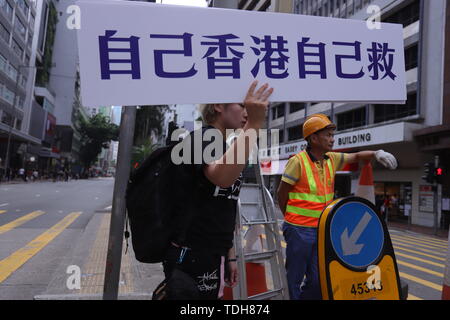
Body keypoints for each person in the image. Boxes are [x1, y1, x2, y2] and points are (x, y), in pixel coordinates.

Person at [161, 80, 273, 300]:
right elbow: (221, 178)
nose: (247, 112)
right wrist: (254, 124)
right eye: (242, 105)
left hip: (212, 255)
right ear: (218, 106)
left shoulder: (223, 146)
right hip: (191, 256)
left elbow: (223, 206)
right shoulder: (203, 138)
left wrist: (229, 255)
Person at [277, 113, 398, 300]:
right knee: (293, 277)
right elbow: (281, 193)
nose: (332, 139)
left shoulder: (331, 159)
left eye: (333, 135)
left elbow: (356, 156)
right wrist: (290, 219)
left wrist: (376, 153)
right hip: (299, 229)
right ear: (313, 138)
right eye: (328, 135)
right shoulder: (298, 161)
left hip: (322, 229)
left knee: (319, 280)